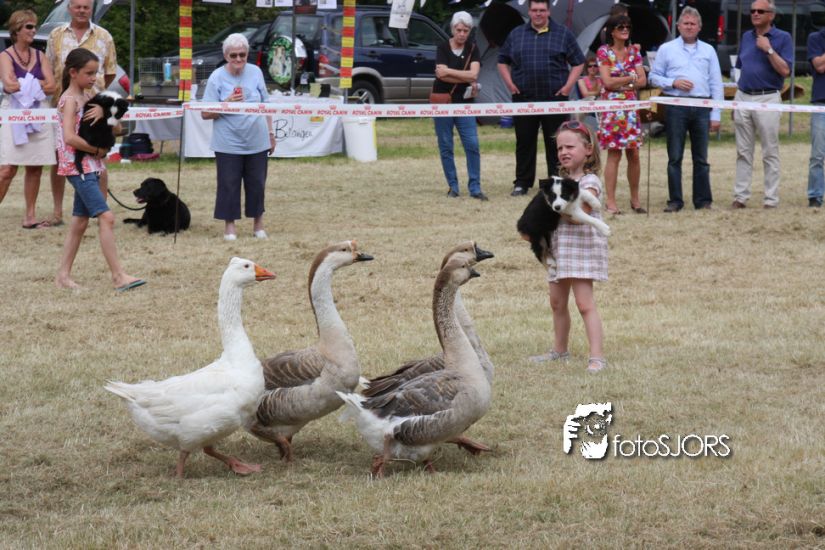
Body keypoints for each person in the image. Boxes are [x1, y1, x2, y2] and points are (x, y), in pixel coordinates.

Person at [54, 48, 143, 292]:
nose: (94, 78)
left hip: (92, 166)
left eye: (96, 73)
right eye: (89, 73)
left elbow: (117, 129)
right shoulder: (69, 100)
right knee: (107, 217)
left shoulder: (90, 97)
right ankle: (118, 276)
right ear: (73, 73)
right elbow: (69, 137)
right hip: (78, 167)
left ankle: (63, 276)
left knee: (80, 221)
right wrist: (96, 150)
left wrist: (107, 112)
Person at [526, 121, 607, 373]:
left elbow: (579, 214)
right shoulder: (560, 182)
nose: (563, 152)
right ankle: (559, 351)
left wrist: (548, 208)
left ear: (588, 150)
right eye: (560, 148)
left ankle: (597, 357)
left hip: (581, 250)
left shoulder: (590, 181)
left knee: (585, 304)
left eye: (570, 146)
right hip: (559, 250)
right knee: (557, 303)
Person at [497, 0, 585, 197]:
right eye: (535, 10)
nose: (538, 14)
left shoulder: (563, 33)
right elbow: (502, 61)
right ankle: (522, 183)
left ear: (548, 11)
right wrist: (510, 84)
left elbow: (579, 62)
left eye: (542, 10)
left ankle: (556, 181)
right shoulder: (516, 34)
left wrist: (568, 87)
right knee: (524, 142)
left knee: (557, 143)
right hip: (523, 99)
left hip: (555, 99)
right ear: (529, 11)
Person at [46, 0, 118, 227]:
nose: (81, 10)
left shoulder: (105, 36)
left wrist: (98, 101)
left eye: (86, 7)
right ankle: (58, 211)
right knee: (61, 157)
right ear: (69, 8)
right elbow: (49, 67)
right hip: (65, 103)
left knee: (98, 158)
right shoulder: (55, 35)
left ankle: (100, 209)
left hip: (93, 106)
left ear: (91, 10)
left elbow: (110, 72)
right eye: (77, 6)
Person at [201, 33, 275, 241]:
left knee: (257, 183)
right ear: (226, 56)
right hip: (227, 142)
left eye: (242, 55)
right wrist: (226, 103)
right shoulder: (216, 77)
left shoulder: (256, 72)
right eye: (233, 55)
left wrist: (271, 133)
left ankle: (258, 225)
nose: (238, 59)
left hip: (257, 140)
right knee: (228, 184)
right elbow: (205, 113)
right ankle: (230, 227)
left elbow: (266, 105)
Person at [649, 6, 723, 212]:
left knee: (701, 158)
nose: (689, 27)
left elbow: (716, 83)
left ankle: (703, 201)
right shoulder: (666, 49)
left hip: (702, 107)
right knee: (674, 157)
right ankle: (675, 201)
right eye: (686, 23)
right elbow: (653, 77)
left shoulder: (709, 50)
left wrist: (716, 114)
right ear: (678, 26)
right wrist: (673, 82)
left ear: (699, 27)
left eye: (693, 24)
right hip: (676, 106)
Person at [731, 0, 791, 210]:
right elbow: (740, 67)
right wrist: (737, 98)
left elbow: (785, 71)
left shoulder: (783, 38)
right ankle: (740, 197)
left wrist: (769, 50)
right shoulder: (746, 37)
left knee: (770, 151)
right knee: (743, 151)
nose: (755, 14)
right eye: (753, 11)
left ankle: (771, 199)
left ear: (771, 15)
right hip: (743, 96)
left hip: (768, 98)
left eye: (760, 11)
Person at [0, 9, 57, 229]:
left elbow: (52, 86)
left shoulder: (40, 56)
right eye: (29, 27)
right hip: (13, 113)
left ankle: (30, 217)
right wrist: (36, 83)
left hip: (39, 113)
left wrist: (25, 82)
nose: (34, 30)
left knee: (35, 167)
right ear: (17, 30)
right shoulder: (5, 56)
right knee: (7, 170)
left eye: (35, 26)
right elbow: (9, 85)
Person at [597, 14, 647, 215]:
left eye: (627, 26)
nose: (625, 29)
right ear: (611, 31)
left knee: (634, 154)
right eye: (620, 27)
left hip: (631, 109)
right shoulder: (603, 52)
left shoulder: (634, 52)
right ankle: (610, 201)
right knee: (614, 153)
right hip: (611, 110)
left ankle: (635, 200)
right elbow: (607, 82)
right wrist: (629, 78)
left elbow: (642, 81)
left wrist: (623, 83)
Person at [433, 11, 485, 201]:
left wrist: (449, 71)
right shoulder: (442, 47)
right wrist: (464, 76)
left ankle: (475, 187)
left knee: (472, 145)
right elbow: (441, 76)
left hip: (465, 104)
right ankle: (453, 187)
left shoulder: (473, 48)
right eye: (459, 30)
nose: (462, 34)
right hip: (443, 102)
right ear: (453, 29)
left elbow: (474, 75)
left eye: (466, 30)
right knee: (446, 145)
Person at [806, 25, 825, 208]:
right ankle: (815, 195)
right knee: (817, 154)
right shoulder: (816, 38)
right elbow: (819, 66)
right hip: (821, 102)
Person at [576, 53, 602, 132]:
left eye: (595, 66)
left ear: (598, 68)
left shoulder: (600, 80)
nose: (592, 68)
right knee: (578, 110)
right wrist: (597, 91)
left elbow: (599, 93)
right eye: (590, 66)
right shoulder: (581, 80)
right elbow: (585, 94)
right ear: (587, 68)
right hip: (585, 103)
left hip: (598, 103)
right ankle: (579, 129)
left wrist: (595, 93)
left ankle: (602, 130)